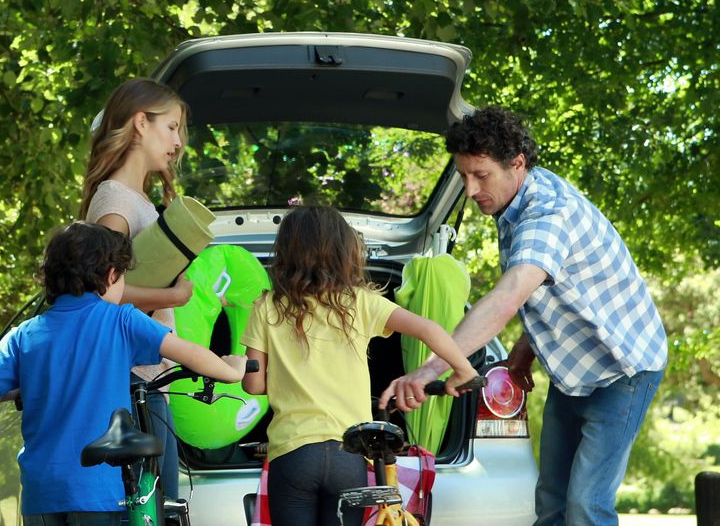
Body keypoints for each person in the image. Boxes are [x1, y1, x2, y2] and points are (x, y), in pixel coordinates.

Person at [381, 107, 667, 526]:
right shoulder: (517, 201)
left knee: (587, 505)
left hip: (624, 369)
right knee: (551, 501)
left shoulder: (548, 215)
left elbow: (508, 295)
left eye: (480, 175)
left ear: (517, 163)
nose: (470, 188)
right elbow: (557, 289)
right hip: (576, 372)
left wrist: (430, 369)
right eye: (462, 176)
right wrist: (525, 348)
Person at [0, 221, 248, 525]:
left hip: (41, 491)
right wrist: (232, 370)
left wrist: (30, 386)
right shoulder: (120, 320)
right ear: (111, 275)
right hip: (97, 489)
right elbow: (189, 353)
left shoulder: (25, 333)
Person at [241, 205, 479, 526]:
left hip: (293, 453)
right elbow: (429, 329)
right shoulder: (360, 301)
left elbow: (253, 384)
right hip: (348, 455)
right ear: (345, 251)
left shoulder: (266, 306)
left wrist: (286, 375)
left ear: (286, 253)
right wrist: (463, 370)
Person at [78, 77, 193, 500]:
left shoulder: (135, 199)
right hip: (132, 386)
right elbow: (104, 293)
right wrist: (173, 297)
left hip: (147, 381)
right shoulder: (116, 200)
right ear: (141, 123)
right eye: (172, 127)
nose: (178, 141)